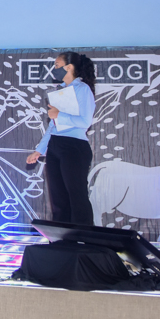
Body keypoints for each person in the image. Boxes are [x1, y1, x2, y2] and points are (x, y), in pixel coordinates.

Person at [26, 52, 97, 226]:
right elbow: (53, 126)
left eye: (57, 66)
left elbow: (85, 121)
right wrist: (39, 150)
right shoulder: (60, 91)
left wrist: (59, 115)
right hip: (55, 146)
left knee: (77, 196)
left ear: (69, 67)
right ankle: (61, 237)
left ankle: (83, 236)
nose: (54, 69)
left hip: (75, 146)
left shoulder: (82, 89)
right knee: (58, 199)